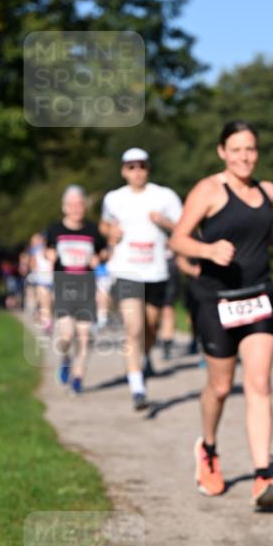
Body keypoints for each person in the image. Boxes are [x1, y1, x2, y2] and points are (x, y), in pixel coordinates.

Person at [169, 120, 273, 509]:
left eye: (250, 149)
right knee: (221, 387)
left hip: (259, 296)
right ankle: (208, 449)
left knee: (259, 384)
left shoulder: (267, 191)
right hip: (216, 300)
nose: (245, 157)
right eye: (236, 149)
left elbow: (258, 232)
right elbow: (178, 238)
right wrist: (208, 251)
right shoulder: (209, 190)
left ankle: (263, 476)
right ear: (222, 152)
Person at [99, 148, 183, 411]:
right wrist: (109, 232)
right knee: (133, 328)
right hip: (126, 270)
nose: (137, 171)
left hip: (156, 271)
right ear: (123, 171)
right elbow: (104, 224)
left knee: (150, 327)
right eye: (131, 167)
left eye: (142, 166)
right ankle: (137, 388)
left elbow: (184, 227)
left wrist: (165, 223)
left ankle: (144, 358)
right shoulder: (113, 198)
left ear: (148, 168)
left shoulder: (165, 196)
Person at [45, 185, 107, 393]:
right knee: (67, 335)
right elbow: (47, 251)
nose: (76, 208)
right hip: (63, 286)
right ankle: (65, 360)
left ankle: (78, 377)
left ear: (85, 206)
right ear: (64, 207)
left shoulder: (92, 230)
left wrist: (99, 259)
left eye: (80, 204)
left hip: (86, 287)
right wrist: (49, 255)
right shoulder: (55, 229)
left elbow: (103, 252)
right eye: (72, 204)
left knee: (84, 337)